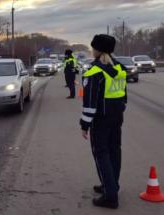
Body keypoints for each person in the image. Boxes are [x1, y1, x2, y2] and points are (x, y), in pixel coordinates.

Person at [80, 34, 127, 209]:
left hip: (100, 120)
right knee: (115, 151)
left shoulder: (94, 72)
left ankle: (110, 196)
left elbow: (90, 104)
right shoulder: (120, 68)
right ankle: (111, 184)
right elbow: (124, 96)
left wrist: (85, 125)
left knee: (101, 154)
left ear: (97, 50)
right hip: (116, 117)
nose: (92, 50)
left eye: (93, 48)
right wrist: (120, 110)